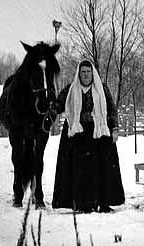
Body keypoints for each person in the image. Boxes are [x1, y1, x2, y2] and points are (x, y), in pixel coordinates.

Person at [52, 60, 124, 213]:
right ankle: (83, 203)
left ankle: (104, 202)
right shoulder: (71, 90)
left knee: (102, 168)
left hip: (99, 133)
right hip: (78, 135)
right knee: (80, 170)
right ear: (79, 73)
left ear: (93, 73)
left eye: (88, 72)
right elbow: (59, 105)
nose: (86, 74)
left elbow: (111, 110)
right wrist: (50, 106)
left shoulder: (101, 89)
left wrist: (115, 128)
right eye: (83, 72)